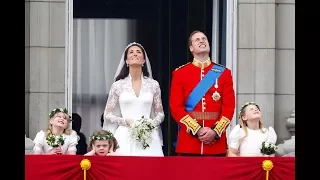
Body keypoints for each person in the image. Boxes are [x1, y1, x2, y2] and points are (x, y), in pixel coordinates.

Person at [169, 30, 235, 156]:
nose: (201, 41)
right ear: (191, 48)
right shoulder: (180, 73)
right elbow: (176, 107)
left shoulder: (224, 73)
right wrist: (197, 130)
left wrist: (215, 131)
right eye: (197, 39)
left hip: (215, 142)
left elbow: (229, 107)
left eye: (204, 38)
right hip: (189, 143)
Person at [102, 42, 164, 157]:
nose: (135, 54)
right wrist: (125, 121)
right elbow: (107, 114)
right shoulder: (118, 85)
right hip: (124, 134)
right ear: (126, 60)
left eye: (138, 52)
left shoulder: (153, 85)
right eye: (131, 52)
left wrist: (150, 124)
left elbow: (160, 114)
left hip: (148, 135)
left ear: (144, 60)